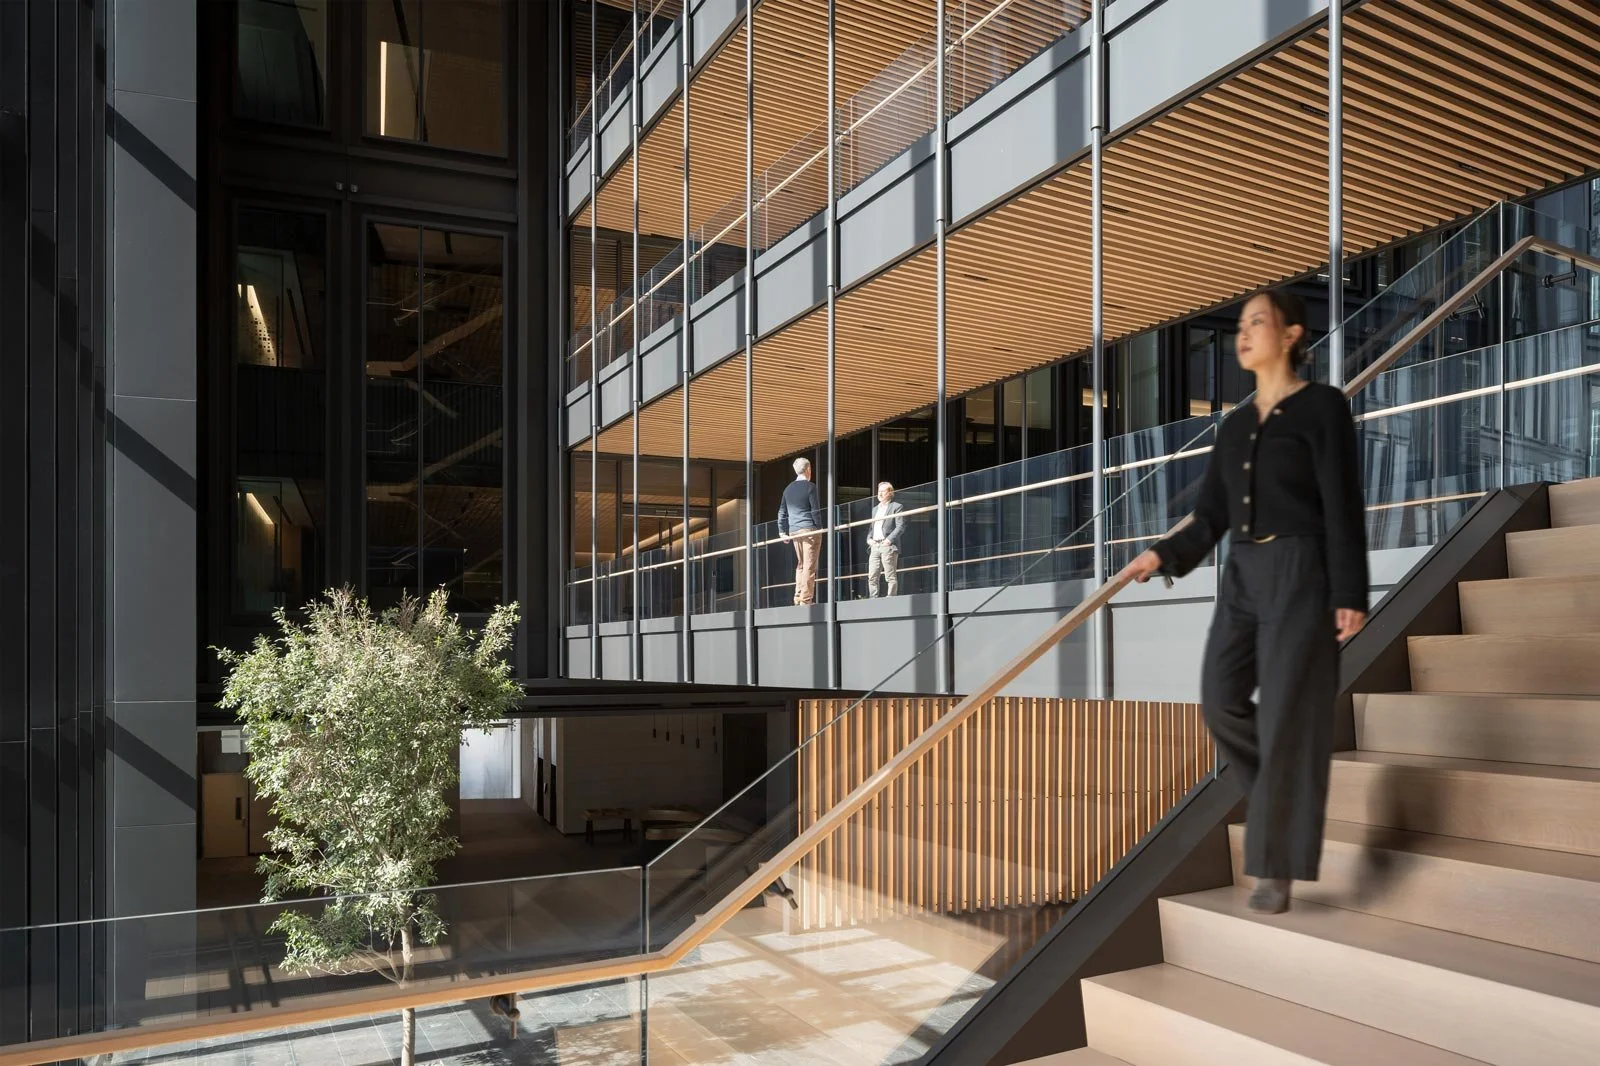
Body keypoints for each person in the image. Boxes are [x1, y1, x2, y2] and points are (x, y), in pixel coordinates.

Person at [1121, 288, 1367, 916]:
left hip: (1302, 570)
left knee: (1288, 714)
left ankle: (1276, 866)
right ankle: (1281, 803)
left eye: (1258, 322)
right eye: (1239, 326)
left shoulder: (1322, 407)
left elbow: (1342, 501)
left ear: (1291, 335)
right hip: (1244, 574)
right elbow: (1211, 515)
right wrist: (1162, 555)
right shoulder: (1233, 426)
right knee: (1220, 699)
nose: (1243, 333)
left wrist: (1348, 591)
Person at [778, 457, 824, 605]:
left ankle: (798, 595)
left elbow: (782, 512)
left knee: (801, 564)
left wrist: (781, 531)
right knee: (810, 565)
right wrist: (819, 527)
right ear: (808, 469)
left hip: (794, 531)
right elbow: (815, 510)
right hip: (809, 529)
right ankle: (806, 599)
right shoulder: (810, 487)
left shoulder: (787, 488)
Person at [866, 481, 904, 597]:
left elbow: (900, 526)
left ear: (890, 493)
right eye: (879, 491)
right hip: (875, 546)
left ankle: (891, 599)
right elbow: (872, 528)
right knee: (872, 575)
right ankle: (873, 599)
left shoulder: (896, 507)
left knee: (890, 575)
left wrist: (889, 540)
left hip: (887, 545)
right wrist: (869, 539)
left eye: (883, 491)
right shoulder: (875, 509)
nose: (880, 494)